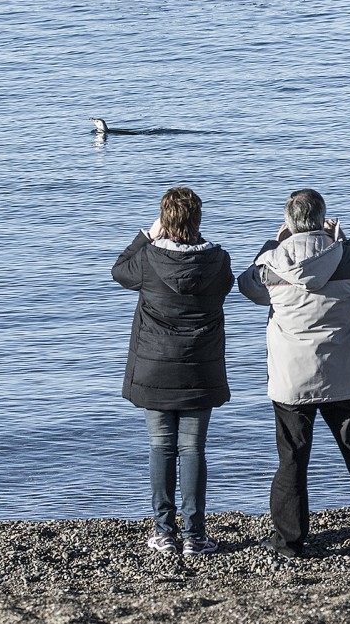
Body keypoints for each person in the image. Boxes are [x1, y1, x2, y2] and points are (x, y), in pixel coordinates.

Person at [237, 188, 350, 557]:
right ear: (324, 220)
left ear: (288, 223)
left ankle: (290, 541)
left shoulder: (271, 262)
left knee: (292, 460)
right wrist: (346, 240)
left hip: (291, 380)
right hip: (343, 376)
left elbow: (247, 286)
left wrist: (272, 242)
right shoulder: (347, 257)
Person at [112, 187, 234, 555]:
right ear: (198, 219)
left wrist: (146, 235)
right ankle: (195, 534)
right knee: (193, 448)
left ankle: (164, 532)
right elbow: (226, 288)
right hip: (200, 367)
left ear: (165, 221)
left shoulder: (148, 259)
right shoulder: (218, 260)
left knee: (161, 447)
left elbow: (119, 271)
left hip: (155, 367)